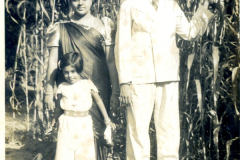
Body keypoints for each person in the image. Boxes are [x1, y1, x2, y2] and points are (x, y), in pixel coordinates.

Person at [115, 0, 214, 159]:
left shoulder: (171, 5)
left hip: (168, 75)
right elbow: (122, 44)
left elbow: (189, 32)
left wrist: (203, 9)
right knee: (137, 132)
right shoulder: (129, 4)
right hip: (138, 77)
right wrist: (124, 82)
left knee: (169, 131)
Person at [44, 0, 119, 159]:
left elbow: (110, 61)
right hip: (70, 91)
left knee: (96, 135)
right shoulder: (60, 28)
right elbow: (52, 61)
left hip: (99, 87)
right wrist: (48, 92)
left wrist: (115, 92)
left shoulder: (105, 25)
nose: (80, 2)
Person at [54, 51, 115, 160]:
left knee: (84, 154)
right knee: (64, 153)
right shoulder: (62, 86)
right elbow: (58, 108)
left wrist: (107, 119)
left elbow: (99, 101)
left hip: (83, 123)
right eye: (66, 72)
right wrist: (54, 121)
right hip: (66, 122)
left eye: (73, 71)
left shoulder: (87, 84)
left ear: (79, 70)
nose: (70, 76)